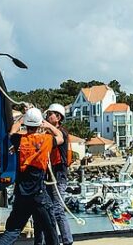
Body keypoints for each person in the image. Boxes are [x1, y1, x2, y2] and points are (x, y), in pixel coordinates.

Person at [0, 107, 61, 245]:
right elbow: (60, 137)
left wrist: (21, 119)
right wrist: (47, 124)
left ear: (26, 124)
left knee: (13, 230)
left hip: (21, 194)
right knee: (50, 228)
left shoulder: (19, 140)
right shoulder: (47, 140)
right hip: (39, 194)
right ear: (39, 124)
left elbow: (11, 132)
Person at [44, 103, 75, 245]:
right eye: (48, 114)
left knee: (58, 210)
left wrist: (45, 124)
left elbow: (58, 138)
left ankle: (67, 240)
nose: (48, 116)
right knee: (49, 209)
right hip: (49, 176)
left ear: (58, 117)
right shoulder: (48, 134)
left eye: (51, 114)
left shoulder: (62, 133)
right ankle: (53, 241)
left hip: (59, 175)